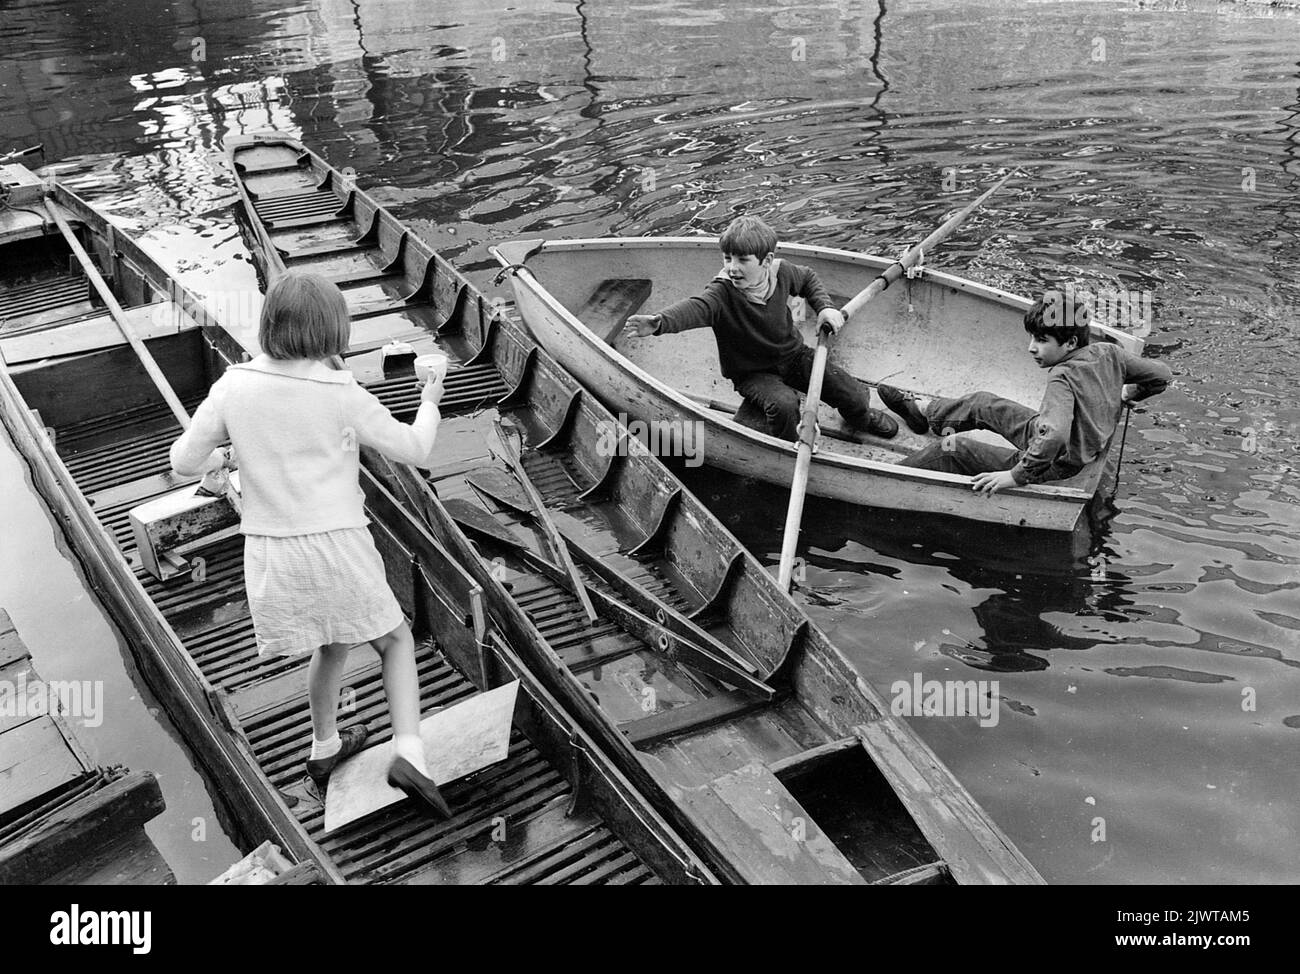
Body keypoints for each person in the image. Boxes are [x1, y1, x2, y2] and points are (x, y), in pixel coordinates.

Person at [169, 271, 452, 816]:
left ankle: (325, 750)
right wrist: (431, 397)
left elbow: (183, 463)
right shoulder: (342, 392)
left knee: (331, 643)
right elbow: (415, 449)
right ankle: (409, 755)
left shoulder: (233, 385)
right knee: (394, 641)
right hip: (338, 546)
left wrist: (227, 457)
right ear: (333, 331)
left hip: (272, 554)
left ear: (270, 323)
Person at [623, 215, 898, 441]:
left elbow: (809, 280)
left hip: (792, 356)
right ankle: (786, 444)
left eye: (742, 260)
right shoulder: (722, 293)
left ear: (765, 261)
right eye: (727, 258)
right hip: (752, 373)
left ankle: (861, 418)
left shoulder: (782, 272)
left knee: (852, 393)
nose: (732, 268)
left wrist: (824, 308)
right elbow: (695, 308)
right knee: (784, 405)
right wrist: (659, 323)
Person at [877, 295, 1172, 493]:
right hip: (1075, 443)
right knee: (983, 403)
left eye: (1041, 340)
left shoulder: (1063, 377)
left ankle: (879, 480)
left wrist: (1015, 476)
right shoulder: (1110, 353)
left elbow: (1054, 436)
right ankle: (926, 414)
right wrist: (1128, 393)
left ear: (1069, 343)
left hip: (1055, 463)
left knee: (953, 449)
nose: (1031, 347)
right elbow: (1162, 376)